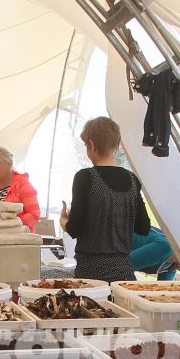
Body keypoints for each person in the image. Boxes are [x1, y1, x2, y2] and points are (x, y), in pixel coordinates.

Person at [59, 116, 148, 282]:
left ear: (92, 145)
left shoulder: (85, 178)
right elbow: (143, 227)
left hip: (91, 274)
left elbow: (75, 229)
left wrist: (64, 220)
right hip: (124, 274)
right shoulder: (132, 180)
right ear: (116, 144)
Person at [0, 145, 39, 230]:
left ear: (10, 163)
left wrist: (10, 224)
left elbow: (34, 215)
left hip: (20, 240)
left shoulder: (24, 186)